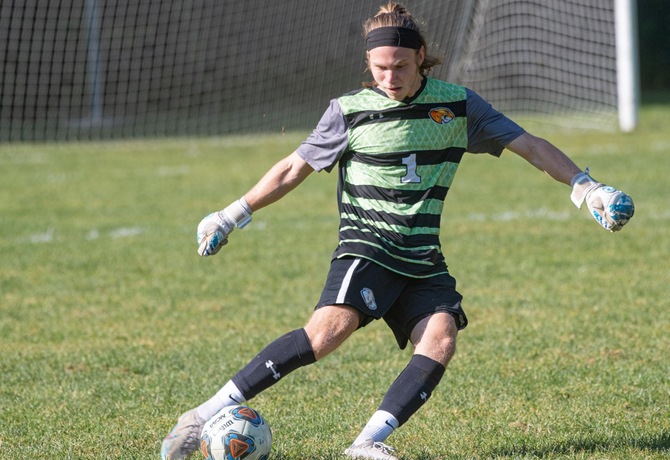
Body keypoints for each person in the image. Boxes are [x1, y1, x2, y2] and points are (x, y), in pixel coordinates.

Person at [160, 3, 634, 459]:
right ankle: (203, 415)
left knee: (441, 337)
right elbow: (292, 169)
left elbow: (528, 145)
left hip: (422, 255)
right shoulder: (349, 111)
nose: (389, 78)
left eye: (401, 67)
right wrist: (231, 214)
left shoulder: (457, 106)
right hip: (367, 244)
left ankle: (366, 441)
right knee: (327, 333)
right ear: (368, 61)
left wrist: (585, 187)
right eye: (380, 67)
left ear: (421, 56)